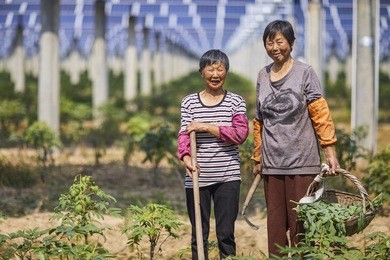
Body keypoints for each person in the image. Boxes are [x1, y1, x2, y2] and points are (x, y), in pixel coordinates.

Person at [251, 20, 340, 257]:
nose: (274, 47)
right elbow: (258, 120)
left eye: (279, 41)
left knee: (302, 225)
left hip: (302, 163)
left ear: (291, 43)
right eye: (269, 43)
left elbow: (320, 112)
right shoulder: (262, 75)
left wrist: (329, 150)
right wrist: (258, 157)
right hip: (272, 166)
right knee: (276, 228)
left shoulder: (305, 73)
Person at [177, 49, 249, 259]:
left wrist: (207, 127)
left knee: (226, 235)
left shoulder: (235, 101)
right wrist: (186, 159)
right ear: (202, 72)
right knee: (198, 234)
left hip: (228, 176)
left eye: (220, 69)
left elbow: (240, 134)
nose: (215, 74)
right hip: (197, 178)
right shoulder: (189, 102)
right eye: (210, 69)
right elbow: (184, 134)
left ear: (227, 72)